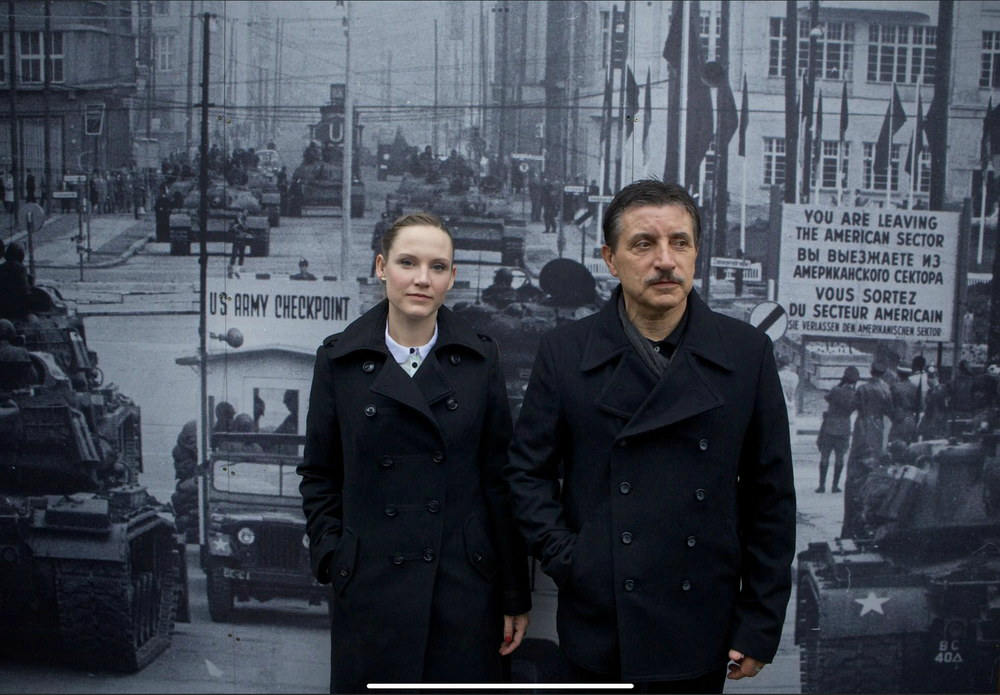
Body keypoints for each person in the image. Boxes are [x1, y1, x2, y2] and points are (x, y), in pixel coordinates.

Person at [505, 179, 795, 692]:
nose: (665, 260)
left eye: (680, 242)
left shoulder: (746, 353)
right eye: (644, 244)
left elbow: (770, 498)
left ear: (696, 253)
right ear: (610, 259)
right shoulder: (566, 351)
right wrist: (575, 559)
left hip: (698, 621)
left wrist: (760, 621)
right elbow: (527, 474)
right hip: (601, 621)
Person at [298, 212, 532, 692]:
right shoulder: (338, 360)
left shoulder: (480, 359)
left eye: (437, 266)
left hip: (462, 590)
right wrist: (335, 556)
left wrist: (513, 590)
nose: (422, 279)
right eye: (408, 262)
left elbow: (500, 480)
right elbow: (320, 472)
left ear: (452, 277)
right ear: (381, 267)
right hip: (371, 590)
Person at [842, 360, 893, 539]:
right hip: (878, 428)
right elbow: (890, 410)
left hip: (862, 427)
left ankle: (849, 526)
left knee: (855, 471)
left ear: (871, 371)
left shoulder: (862, 388)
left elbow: (850, 407)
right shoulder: (886, 389)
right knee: (873, 467)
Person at [815, 366, 859, 493]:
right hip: (844, 426)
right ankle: (835, 486)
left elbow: (827, 398)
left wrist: (840, 385)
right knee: (840, 458)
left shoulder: (835, 390)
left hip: (830, 425)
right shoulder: (854, 394)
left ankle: (822, 485)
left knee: (825, 456)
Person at [0, 242, 31, 320]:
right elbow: (24, 290)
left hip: (3, 308)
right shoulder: (20, 268)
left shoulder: (1, 267)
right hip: (17, 308)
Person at [227, 210, 251, 277]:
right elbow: (230, 230)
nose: (240, 216)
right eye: (238, 215)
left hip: (242, 240)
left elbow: (247, 228)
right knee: (234, 255)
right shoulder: (233, 223)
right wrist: (235, 227)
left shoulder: (244, 222)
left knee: (241, 255)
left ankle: (237, 270)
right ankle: (230, 270)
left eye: (241, 215)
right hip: (236, 240)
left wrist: (241, 225)